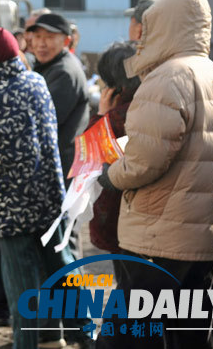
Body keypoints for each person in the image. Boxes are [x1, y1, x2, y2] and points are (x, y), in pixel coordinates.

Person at [97, 0, 213, 349]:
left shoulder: (165, 78)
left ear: (163, 25)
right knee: (193, 335)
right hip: (207, 235)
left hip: (159, 234)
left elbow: (145, 160)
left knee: (132, 335)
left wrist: (111, 175)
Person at [0, 28, 89, 348]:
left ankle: (26, 344)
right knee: (62, 271)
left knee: (21, 285)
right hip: (48, 196)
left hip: (9, 206)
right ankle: (87, 337)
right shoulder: (37, 82)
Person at [87, 42, 140, 264]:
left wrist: (101, 115)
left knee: (128, 274)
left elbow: (90, 154)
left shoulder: (116, 117)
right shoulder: (148, 104)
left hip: (119, 214)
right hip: (148, 220)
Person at [26, 12, 89, 181]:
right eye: (37, 36)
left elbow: (42, 120)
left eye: (49, 37)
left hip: (61, 165)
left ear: (66, 41)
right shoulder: (48, 65)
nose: (41, 43)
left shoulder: (64, 72)